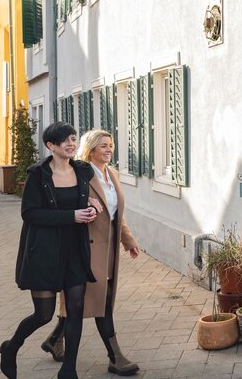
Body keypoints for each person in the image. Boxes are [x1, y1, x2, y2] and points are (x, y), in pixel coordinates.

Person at [39, 129, 141, 375]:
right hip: (82, 248)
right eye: (103, 146)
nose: (109, 150)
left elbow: (116, 214)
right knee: (97, 302)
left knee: (87, 300)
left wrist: (128, 241)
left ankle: (54, 339)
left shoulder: (112, 174)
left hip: (107, 250)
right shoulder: (79, 173)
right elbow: (65, 204)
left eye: (111, 145)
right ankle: (115, 356)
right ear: (92, 149)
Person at [1, 122, 98, 379]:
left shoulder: (83, 171)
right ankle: (11, 348)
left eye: (73, 138)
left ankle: (69, 370)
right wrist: (72, 216)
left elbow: (86, 200)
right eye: (64, 140)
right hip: (44, 253)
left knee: (75, 310)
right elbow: (30, 213)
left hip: (75, 251)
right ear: (50, 146)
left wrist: (92, 208)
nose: (71, 144)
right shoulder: (38, 175)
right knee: (43, 315)